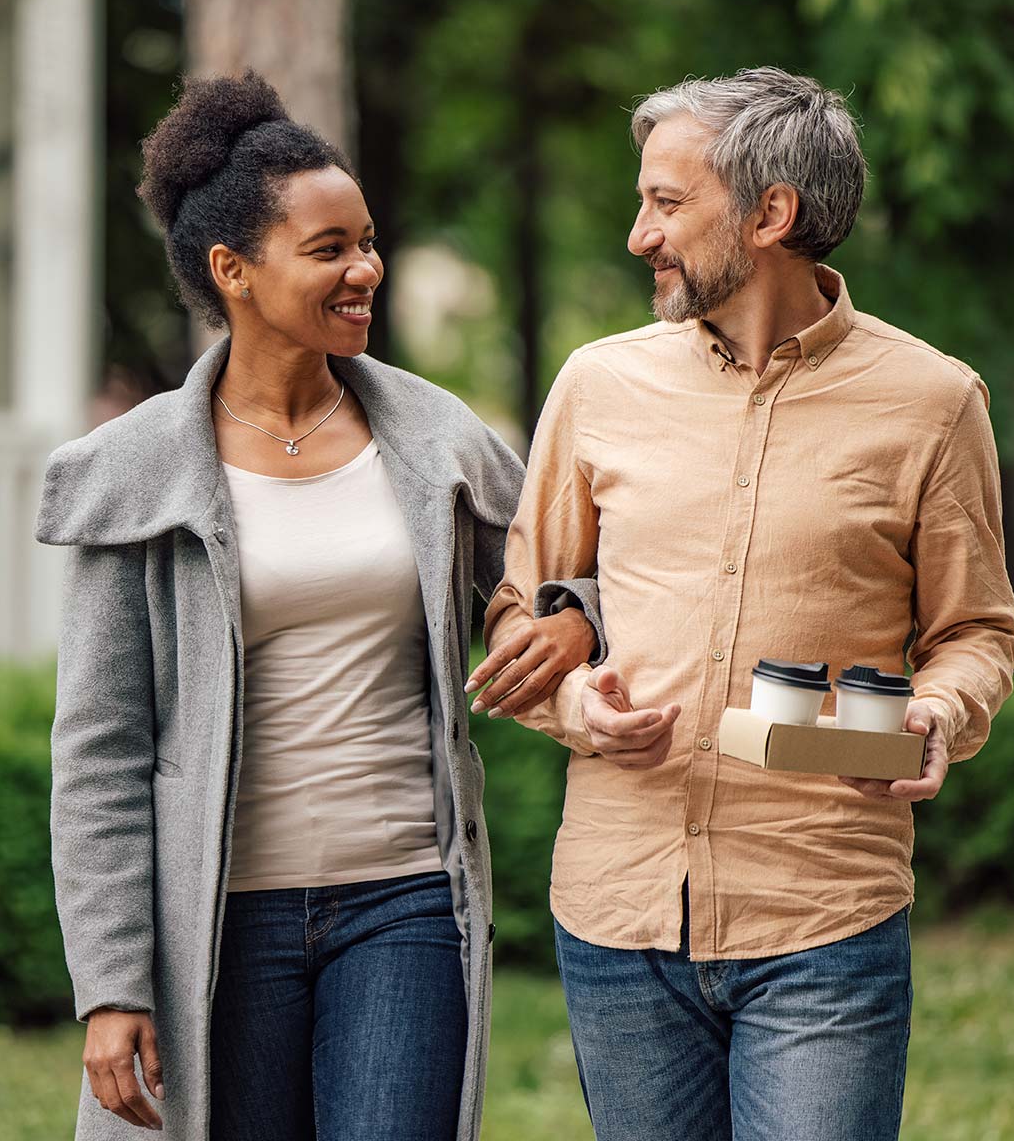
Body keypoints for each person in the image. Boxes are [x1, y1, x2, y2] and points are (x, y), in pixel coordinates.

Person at [35, 71, 603, 1140]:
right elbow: (101, 750)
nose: (367, 270)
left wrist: (572, 615)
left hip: (404, 903)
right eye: (330, 248)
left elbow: (571, 564)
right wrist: (112, 982)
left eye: (370, 241)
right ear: (233, 271)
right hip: (222, 923)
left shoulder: (438, 442)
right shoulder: (137, 474)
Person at [476, 67, 1014, 1140]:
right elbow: (517, 598)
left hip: (824, 914)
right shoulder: (597, 385)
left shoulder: (932, 400)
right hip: (618, 911)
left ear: (771, 213)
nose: (640, 234)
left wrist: (939, 711)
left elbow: (976, 630)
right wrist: (571, 702)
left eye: (667, 203)